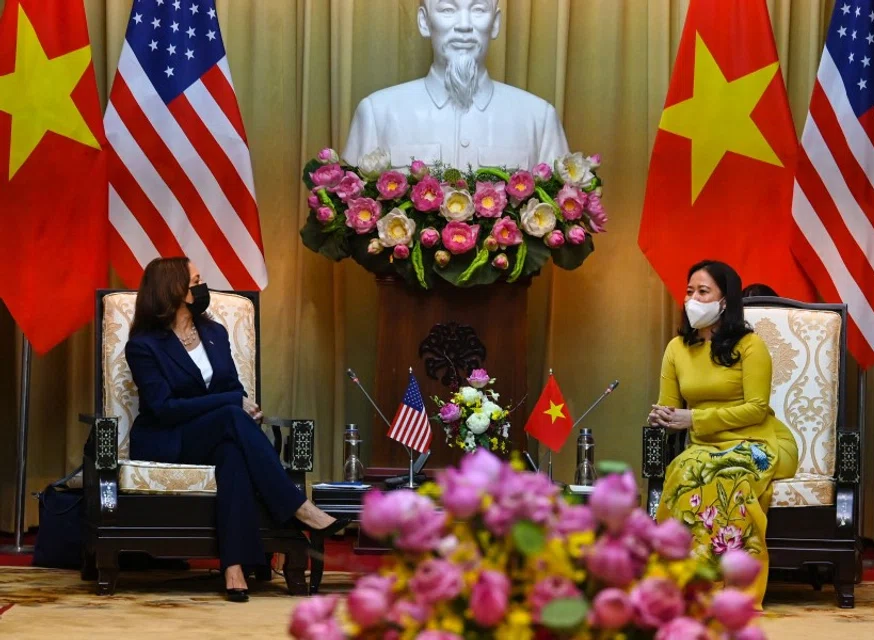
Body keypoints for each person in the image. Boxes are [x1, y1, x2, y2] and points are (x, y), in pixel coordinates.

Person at [125, 257, 348, 602]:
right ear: (174, 290)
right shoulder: (143, 345)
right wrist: (232, 403)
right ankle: (297, 507)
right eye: (196, 280)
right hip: (167, 439)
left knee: (233, 454)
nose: (203, 287)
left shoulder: (214, 333)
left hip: (215, 434)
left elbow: (231, 386)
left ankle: (233, 566)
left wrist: (242, 404)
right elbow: (163, 409)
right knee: (231, 416)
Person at [648, 260, 798, 604]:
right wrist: (663, 415)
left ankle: (731, 588)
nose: (693, 299)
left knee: (724, 475)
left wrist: (694, 419)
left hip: (760, 442)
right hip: (704, 445)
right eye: (689, 291)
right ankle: (686, 580)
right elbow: (670, 406)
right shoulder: (676, 349)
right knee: (684, 471)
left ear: (725, 300)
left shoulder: (749, 346)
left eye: (703, 292)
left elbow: (756, 409)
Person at [342, 0, 569, 172]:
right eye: (447, 9)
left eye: (478, 9)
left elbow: (562, 220)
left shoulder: (538, 119)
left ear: (496, 23)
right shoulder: (377, 113)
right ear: (424, 22)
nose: (464, 25)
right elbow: (347, 218)